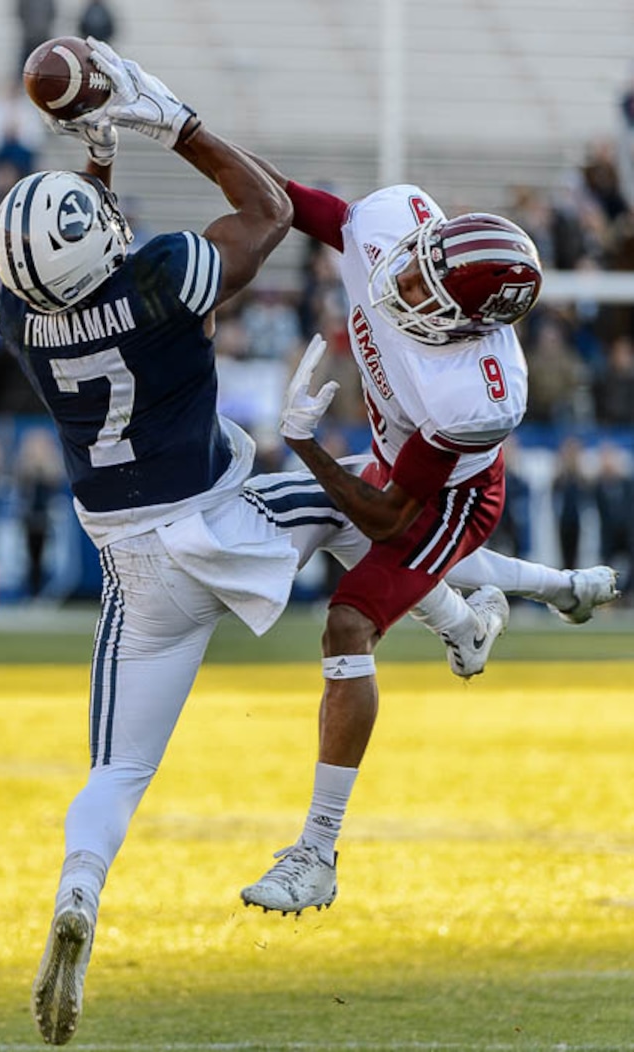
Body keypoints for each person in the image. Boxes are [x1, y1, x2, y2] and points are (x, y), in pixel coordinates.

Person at [0, 42, 396, 1047]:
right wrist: (170, 120)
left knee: (116, 771)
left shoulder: (18, 318)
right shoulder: (166, 280)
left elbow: (84, 258)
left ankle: (80, 889)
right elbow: (268, 209)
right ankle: (467, 604)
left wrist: (95, 157)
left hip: (134, 569)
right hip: (222, 520)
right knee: (365, 508)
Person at [233, 149, 619, 916]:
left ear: (469, 319)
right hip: (397, 464)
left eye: (424, 286)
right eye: (416, 266)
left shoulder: (474, 392)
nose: (403, 285)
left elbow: (393, 519)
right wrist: (181, 126)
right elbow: (313, 208)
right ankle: (545, 596)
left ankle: (317, 853)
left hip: (448, 497)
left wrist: (305, 443)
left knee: (350, 619)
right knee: (369, 552)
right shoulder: (390, 231)